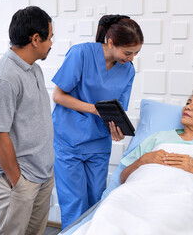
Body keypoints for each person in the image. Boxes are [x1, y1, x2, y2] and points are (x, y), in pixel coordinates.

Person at [74, 87, 193, 234]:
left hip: (183, 197)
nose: (187, 107)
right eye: (187, 103)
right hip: (137, 192)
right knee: (111, 208)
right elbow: (123, 178)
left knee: (162, 219)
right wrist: (143, 160)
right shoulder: (158, 138)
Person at [52, 14, 144, 228]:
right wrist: (94, 109)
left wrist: (116, 128)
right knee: (74, 204)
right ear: (110, 42)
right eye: (128, 52)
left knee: (97, 203)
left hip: (98, 143)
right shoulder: (81, 54)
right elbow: (58, 96)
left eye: (136, 53)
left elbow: (117, 109)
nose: (131, 58)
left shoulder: (128, 70)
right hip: (68, 141)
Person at [0, 6, 54, 235]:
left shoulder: (34, 70)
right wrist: (17, 181)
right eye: (49, 37)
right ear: (35, 39)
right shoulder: (4, 77)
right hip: (19, 179)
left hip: (41, 173)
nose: (51, 43)